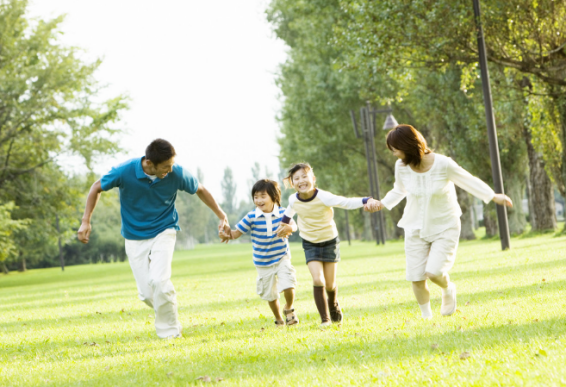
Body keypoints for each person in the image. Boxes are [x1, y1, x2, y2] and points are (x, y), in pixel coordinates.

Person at [77, 139, 230, 338]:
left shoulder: (176, 173)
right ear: (149, 163)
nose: (170, 170)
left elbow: (200, 189)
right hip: (134, 236)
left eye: (171, 165)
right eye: (165, 167)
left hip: (164, 229)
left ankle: (170, 334)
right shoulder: (125, 171)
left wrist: (221, 215)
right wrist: (85, 220)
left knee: (159, 281)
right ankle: (172, 318)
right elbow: (96, 187)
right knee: (147, 294)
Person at [366, 124, 513, 319]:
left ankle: (448, 288)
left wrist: (493, 196)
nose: (394, 154)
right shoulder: (401, 167)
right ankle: (427, 319)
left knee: (434, 272)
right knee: (416, 277)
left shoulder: (443, 164)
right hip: (415, 226)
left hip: (445, 225)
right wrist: (382, 203)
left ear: (408, 145)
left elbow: (467, 180)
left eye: (396, 149)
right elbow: (399, 190)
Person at [276, 163, 380, 327]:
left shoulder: (323, 197)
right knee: (318, 279)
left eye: (305, 176)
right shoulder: (293, 200)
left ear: (313, 179)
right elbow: (288, 213)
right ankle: (325, 320)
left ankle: (333, 304)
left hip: (330, 241)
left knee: (330, 284)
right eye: (296, 178)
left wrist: (366, 200)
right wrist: (283, 226)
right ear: (292, 182)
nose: (301, 181)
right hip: (310, 243)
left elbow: (345, 202)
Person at [219, 179, 300, 326]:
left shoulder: (283, 213)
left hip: (282, 257)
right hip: (263, 262)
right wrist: (227, 234)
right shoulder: (252, 216)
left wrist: (290, 228)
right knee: (270, 295)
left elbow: (294, 226)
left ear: (274, 196)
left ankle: (288, 308)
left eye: (263, 196)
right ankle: (279, 319)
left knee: (289, 283)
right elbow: (236, 233)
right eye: (256, 197)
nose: (259, 200)